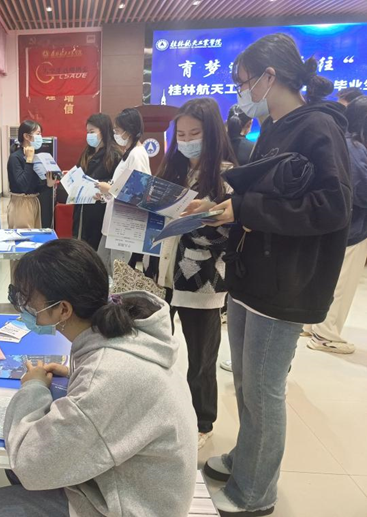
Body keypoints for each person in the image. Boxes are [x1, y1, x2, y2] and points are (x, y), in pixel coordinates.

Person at [190, 34, 351, 517]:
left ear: (269, 76)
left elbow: (332, 207)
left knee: (263, 389)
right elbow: (263, 194)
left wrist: (244, 209)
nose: (242, 92)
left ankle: (255, 493)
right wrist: (224, 207)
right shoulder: (275, 127)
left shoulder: (318, 126)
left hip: (286, 282)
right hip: (252, 274)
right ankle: (246, 459)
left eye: (243, 82)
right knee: (245, 382)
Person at [0, 239, 197, 517]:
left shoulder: (107, 375)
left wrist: (33, 388)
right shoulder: (127, 331)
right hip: (138, 485)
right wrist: (77, 376)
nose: (24, 307)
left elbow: (30, 464)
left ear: (63, 310)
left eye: (28, 300)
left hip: (135, 506)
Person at [144, 97, 237, 450]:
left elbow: (226, 236)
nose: (186, 141)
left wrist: (200, 217)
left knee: (201, 357)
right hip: (162, 274)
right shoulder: (172, 171)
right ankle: (159, 410)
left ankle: (202, 421)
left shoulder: (227, 177)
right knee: (155, 348)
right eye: (180, 135)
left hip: (201, 280)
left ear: (211, 133)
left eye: (194, 134)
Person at [304, 96, 367, 354]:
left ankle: (312, 324)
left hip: (335, 224)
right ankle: (326, 334)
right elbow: (360, 191)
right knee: (342, 281)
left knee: (326, 276)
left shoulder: (342, 142)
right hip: (353, 227)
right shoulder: (357, 149)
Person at [95, 107, 152, 273]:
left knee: (118, 272)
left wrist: (111, 189)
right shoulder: (129, 153)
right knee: (102, 266)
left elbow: (139, 193)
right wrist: (105, 194)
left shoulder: (137, 155)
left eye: (118, 130)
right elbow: (121, 186)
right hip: (114, 222)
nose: (116, 134)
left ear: (130, 130)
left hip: (124, 224)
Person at [72, 113, 122, 250]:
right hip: (82, 206)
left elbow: (116, 183)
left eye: (92, 132)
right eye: (87, 132)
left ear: (103, 131)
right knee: (80, 244)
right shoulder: (87, 153)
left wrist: (100, 185)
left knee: (95, 247)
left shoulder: (114, 155)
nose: (89, 135)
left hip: (100, 209)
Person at [7, 120, 55, 229]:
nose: (40, 137)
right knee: (24, 236)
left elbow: (35, 186)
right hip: (21, 204)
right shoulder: (15, 158)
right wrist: (29, 161)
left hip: (34, 202)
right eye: (38, 134)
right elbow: (22, 185)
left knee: (34, 235)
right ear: (26, 136)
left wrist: (48, 184)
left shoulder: (36, 157)